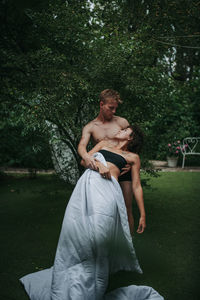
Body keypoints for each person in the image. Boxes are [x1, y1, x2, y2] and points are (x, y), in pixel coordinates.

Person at [19, 126, 164, 300]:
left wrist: (142, 214)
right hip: (86, 188)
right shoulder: (103, 144)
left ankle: (95, 280)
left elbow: (136, 185)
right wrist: (98, 165)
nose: (120, 130)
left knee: (99, 233)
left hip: (108, 192)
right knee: (78, 230)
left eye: (125, 130)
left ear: (131, 138)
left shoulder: (132, 157)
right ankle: (78, 269)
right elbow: (83, 161)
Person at [78, 89, 135, 234]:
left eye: (116, 108)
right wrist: (86, 157)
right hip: (104, 170)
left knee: (127, 208)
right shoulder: (90, 127)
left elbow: (133, 142)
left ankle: (130, 247)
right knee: (105, 209)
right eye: (111, 108)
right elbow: (82, 146)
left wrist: (131, 164)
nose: (114, 111)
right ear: (101, 104)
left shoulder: (122, 122)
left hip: (123, 170)